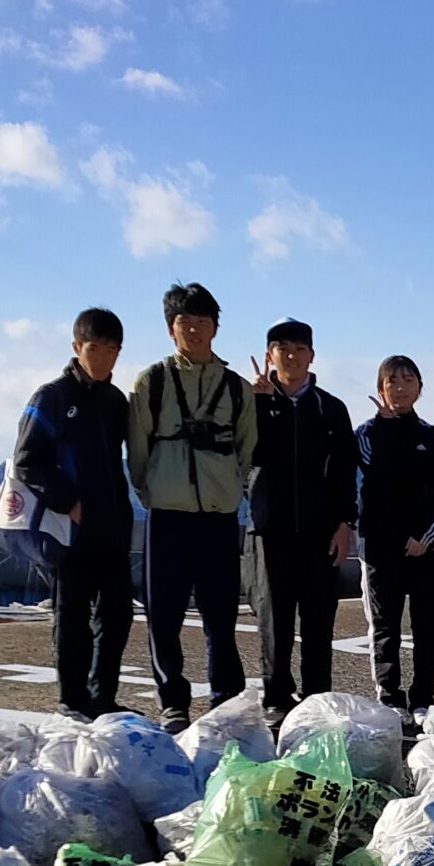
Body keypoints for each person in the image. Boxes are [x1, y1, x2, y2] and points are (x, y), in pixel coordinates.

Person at [126, 281, 257, 727]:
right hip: (167, 514)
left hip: (219, 516)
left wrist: (229, 488)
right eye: (186, 322)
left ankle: (225, 698)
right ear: (170, 328)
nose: (195, 330)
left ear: (215, 328)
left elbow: (246, 448)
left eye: (204, 322)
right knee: (163, 613)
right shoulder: (153, 382)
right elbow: (137, 447)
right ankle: (173, 701)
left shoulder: (237, 388)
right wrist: (151, 490)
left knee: (220, 615)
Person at [13, 307, 134, 718]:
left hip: (114, 526)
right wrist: (67, 501)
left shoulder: (117, 401)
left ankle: (104, 698)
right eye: (95, 349)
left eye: (113, 350)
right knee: (72, 618)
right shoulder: (50, 398)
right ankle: (72, 699)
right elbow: (26, 461)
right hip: (70, 529)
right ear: (77, 348)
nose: (103, 359)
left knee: (116, 617)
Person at [246, 317, 357, 720]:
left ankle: (316, 699)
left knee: (317, 618)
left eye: (299, 349)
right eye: (282, 349)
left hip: (320, 529)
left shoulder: (330, 407)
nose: (291, 356)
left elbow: (346, 470)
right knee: (273, 617)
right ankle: (275, 698)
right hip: (269, 527)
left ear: (312, 356)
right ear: (269, 354)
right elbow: (248, 457)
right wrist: (259, 404)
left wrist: (346, 522)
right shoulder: (252, 400)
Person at [355, 355, 434, 712]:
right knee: (384, 629)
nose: (400, 388)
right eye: (392, 382)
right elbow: (372, 482)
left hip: (425, 549)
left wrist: (424, 536)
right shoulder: (366, 436)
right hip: (380, 549)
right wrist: (388, 431)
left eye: (408, 380)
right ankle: (389, 696)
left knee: (428, 629)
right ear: (380, 389)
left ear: (419, 387)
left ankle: (423, 699)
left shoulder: (433, 437)